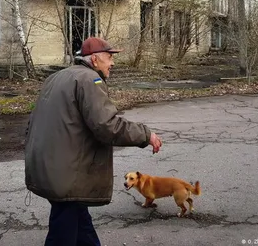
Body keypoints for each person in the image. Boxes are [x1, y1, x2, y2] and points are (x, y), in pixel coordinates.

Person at [25, 37, 162, 246]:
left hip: (47, 165)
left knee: (80, 223)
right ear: (95, 60)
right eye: (109, 57)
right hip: (66, 174)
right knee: (62, 235)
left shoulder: (57, 77)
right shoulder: (90, 80)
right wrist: (146, 135)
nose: (112, 63)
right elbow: (107, 125)